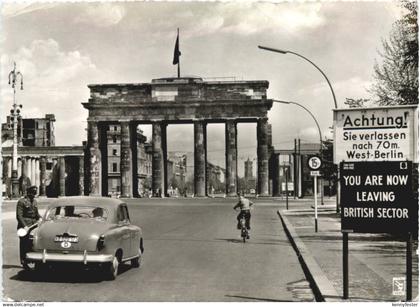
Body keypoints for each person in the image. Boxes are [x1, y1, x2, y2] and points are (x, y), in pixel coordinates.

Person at [16, 185, 42, 267]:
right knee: (24, 244)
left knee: (32, 243)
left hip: (33, 226)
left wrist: (41, 218)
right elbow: (19, 216)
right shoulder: (21, 201)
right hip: (24, 226)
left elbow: (36, 214)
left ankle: (32, 259)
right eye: (33, 193)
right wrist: (24, 226)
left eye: (35, 193)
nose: (34, 195)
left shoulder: (34, 201)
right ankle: (24, 261)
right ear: (29, 192)